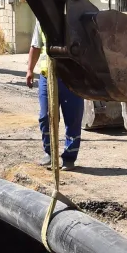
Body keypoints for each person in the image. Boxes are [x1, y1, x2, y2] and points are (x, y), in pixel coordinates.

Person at [25, 21, 84, 169]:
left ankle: (69, 157)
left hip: (72, 78)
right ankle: (50, 153)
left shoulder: (76, 17)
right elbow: (36, 46)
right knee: (46, 117)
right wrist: (30, 70)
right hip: (47, 77)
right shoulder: (41, 19)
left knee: (73, 118)